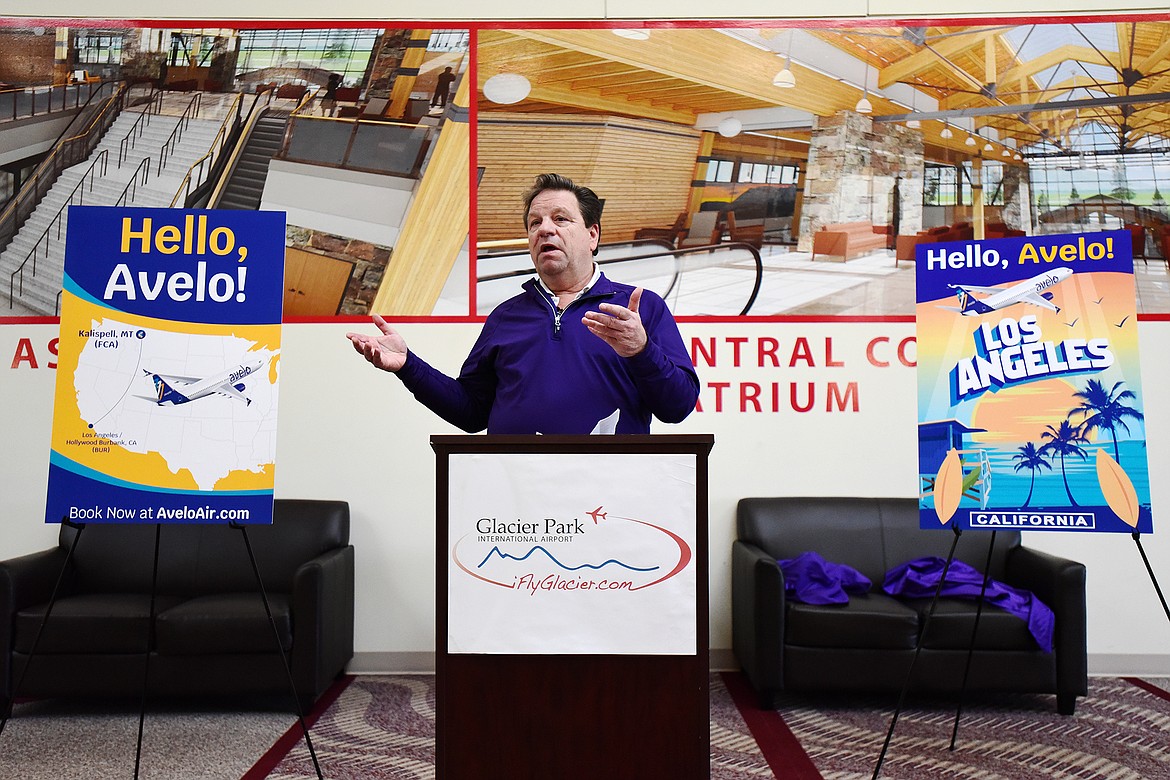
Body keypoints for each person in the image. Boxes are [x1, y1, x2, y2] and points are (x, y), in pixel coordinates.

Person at [346, 172, 699, 435]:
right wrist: (409, 366)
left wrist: (640, 351)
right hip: (516, 503)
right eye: (535, 222)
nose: (544, 229)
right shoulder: (505, 317)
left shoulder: (641, 309)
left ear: (592, 235)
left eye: (560, 218)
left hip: (608, 499)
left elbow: (677, 407)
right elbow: (471, 413)